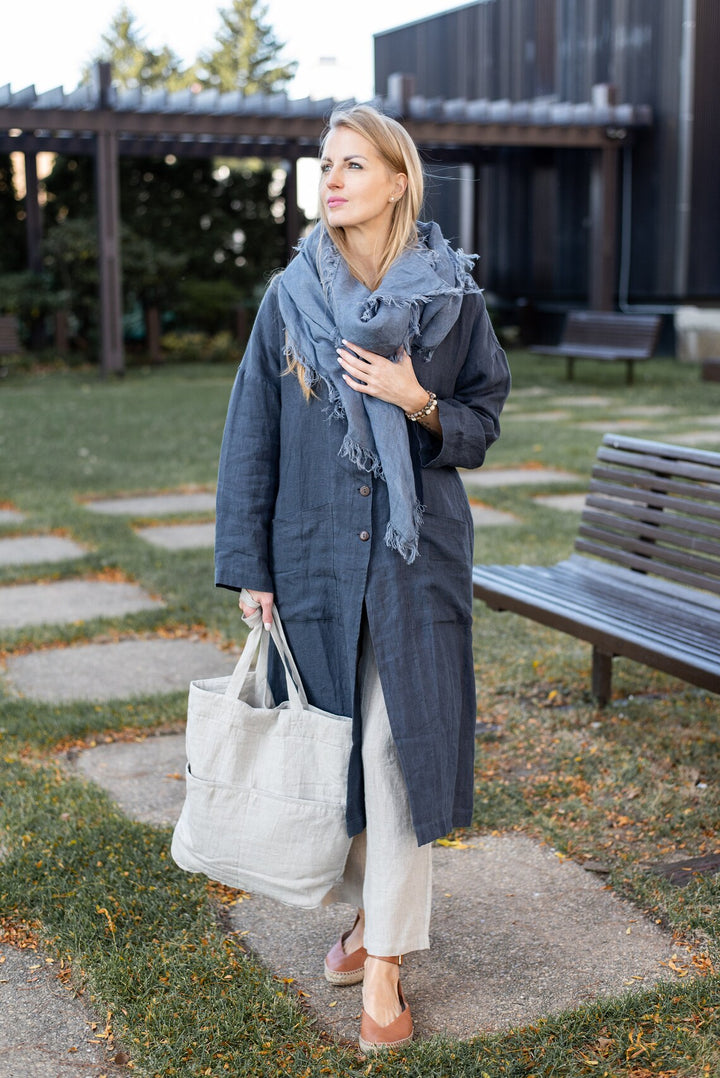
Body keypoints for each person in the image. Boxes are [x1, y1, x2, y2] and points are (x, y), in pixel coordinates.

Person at [214, 103, 511, 1053]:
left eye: (351, 164)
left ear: (396, 181)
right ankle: (362, 915)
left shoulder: (451, 299)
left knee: (398, 757)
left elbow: (483, 417)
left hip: (415, 564)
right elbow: (250, 438)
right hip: (310, 557)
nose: (331, 179)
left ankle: (383, 964)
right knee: (334, 757)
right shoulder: (289, 297)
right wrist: (249, 565)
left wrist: (417, 400)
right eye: (325, 164)